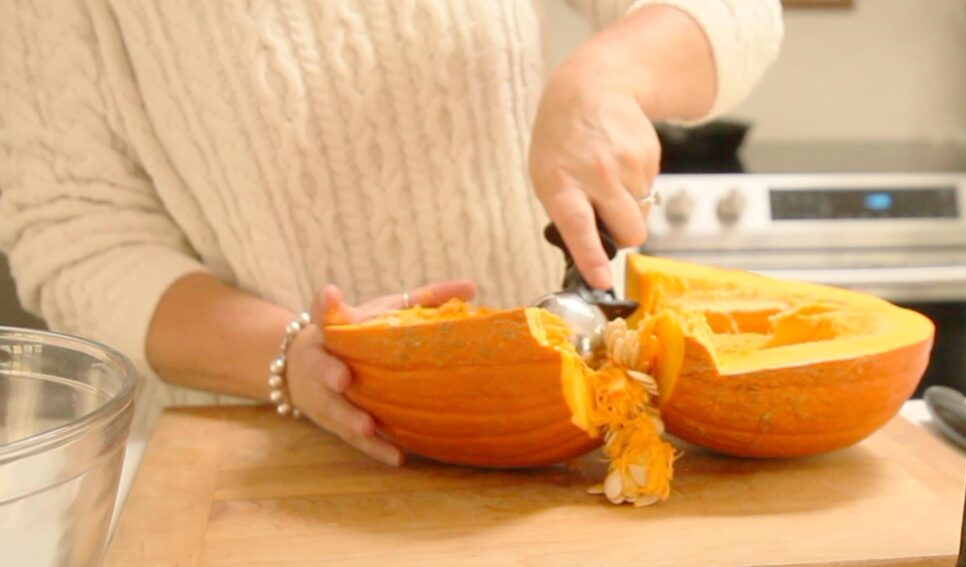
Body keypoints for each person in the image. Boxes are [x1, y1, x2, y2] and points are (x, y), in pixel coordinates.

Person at [0, 1, 783, 464]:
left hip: (560, 445)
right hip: (256, 468)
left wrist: (608, 74)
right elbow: (74, 229)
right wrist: (290, 358)